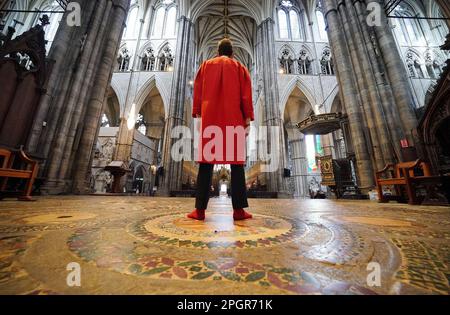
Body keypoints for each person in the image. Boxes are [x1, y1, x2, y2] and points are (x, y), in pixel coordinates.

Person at [187, 38, 254, 221]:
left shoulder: (206, 66)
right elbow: (246, 96)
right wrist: (247, 121)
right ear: (232, 53)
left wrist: (199, 115)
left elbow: (198, 92)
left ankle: (199, 211)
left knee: (206, 164)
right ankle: (239, 211)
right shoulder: (241, 68)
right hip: (234, 119)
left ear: (217, 52)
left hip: (211, 119)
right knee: (237, 165)